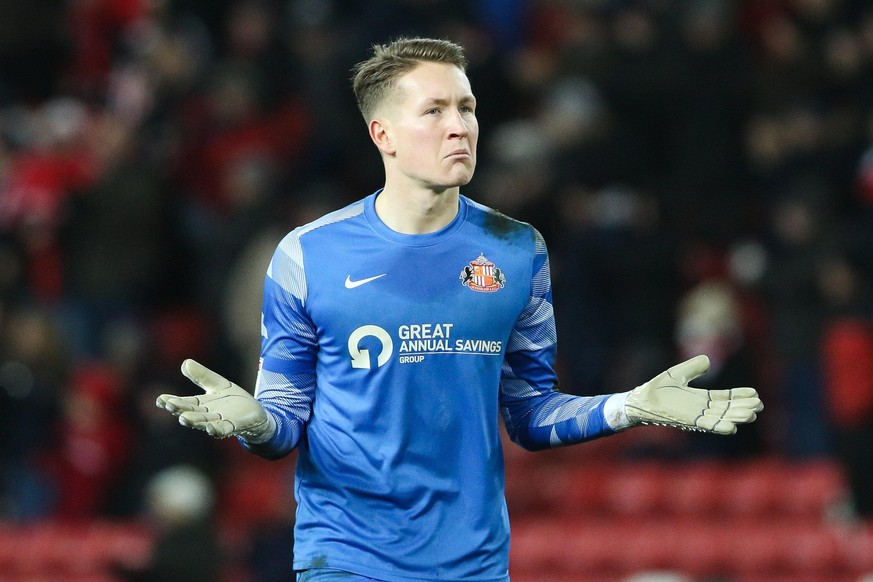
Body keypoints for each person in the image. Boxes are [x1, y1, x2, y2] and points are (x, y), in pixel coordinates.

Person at [156, 37, 763, 581]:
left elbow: (530, 412)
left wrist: (631, 405)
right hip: (347, 559)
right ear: (383, 135)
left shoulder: (517, 250)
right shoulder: (308, 256)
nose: (461, 127)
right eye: (435, 111)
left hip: (473, 565)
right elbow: (284, 418)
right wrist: (255, 423)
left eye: (467, 108)